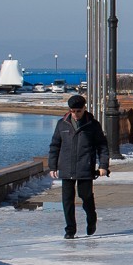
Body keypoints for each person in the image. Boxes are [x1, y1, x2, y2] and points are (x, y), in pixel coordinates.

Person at [47, 94, 108, 239]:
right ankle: (70, 230)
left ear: (84, 108)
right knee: (67, 200)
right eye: (72, 111)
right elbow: (55, 145)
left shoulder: (92, 125)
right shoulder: (62, 124)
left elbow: (102, 146)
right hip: (66, 168)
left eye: (78, 111)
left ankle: (91, 219)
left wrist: (103, 165)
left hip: (85, 166)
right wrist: (52, 166)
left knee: (85, 196)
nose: (75, 114)